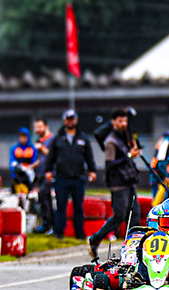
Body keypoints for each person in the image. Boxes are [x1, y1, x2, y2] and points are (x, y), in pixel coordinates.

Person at [89, 109, 141, 259]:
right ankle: (95, 238)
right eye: (120, 121)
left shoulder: (124, 138)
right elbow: (110, 164)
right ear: (113, 122)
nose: (123, 124)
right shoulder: (111, 141)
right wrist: (129, 155)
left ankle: (133, 247)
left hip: (129, 182)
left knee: (134, 216)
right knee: (119, 216)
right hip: (118, 184)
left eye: (125, 121)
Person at [43, 109, 97, 239]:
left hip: (78, 177)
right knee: (61, 205)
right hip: (62, 177)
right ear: (64, 121)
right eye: (68, 119)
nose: (70, 122)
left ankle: (79, 233)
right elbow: (51, 156)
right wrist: (48, 170)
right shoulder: (57, 139)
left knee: (78, 206)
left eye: (72, 119)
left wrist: (92, 170)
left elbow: (89, 156)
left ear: (76, 120)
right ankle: (59, 232)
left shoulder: (83, 138)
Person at [32, 117, 54, 233]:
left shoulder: (52, 140)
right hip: (41, 174)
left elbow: (54, 155)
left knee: (44, 194)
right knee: (43, 198)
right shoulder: (39, 141)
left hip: (51, 173)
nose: (38, 130)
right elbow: (40, 159)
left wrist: (42, 148)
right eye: (36, 127)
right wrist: (29, 168)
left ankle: (48, 223)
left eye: (40, 127)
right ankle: (47, 223)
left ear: (46, 127)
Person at [9, 127, 38, 204]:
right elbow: (12, 162)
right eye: (21, 136)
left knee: (29, 198)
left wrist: (29, 170)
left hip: (28, 177)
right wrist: (16, 168)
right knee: (16, 198)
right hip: (17, 177)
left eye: (24, 136)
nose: (22, 138)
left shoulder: (32, 149)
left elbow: (34, 162)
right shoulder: (14, 149)